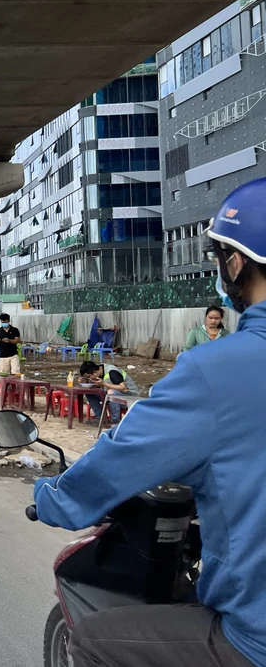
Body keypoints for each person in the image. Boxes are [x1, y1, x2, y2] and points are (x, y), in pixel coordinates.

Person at [33, 177, 266, 667]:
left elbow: (120, 459)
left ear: (235, 263)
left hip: (255, 637)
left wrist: (52, 498)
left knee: (95, 641)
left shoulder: (214, 369)